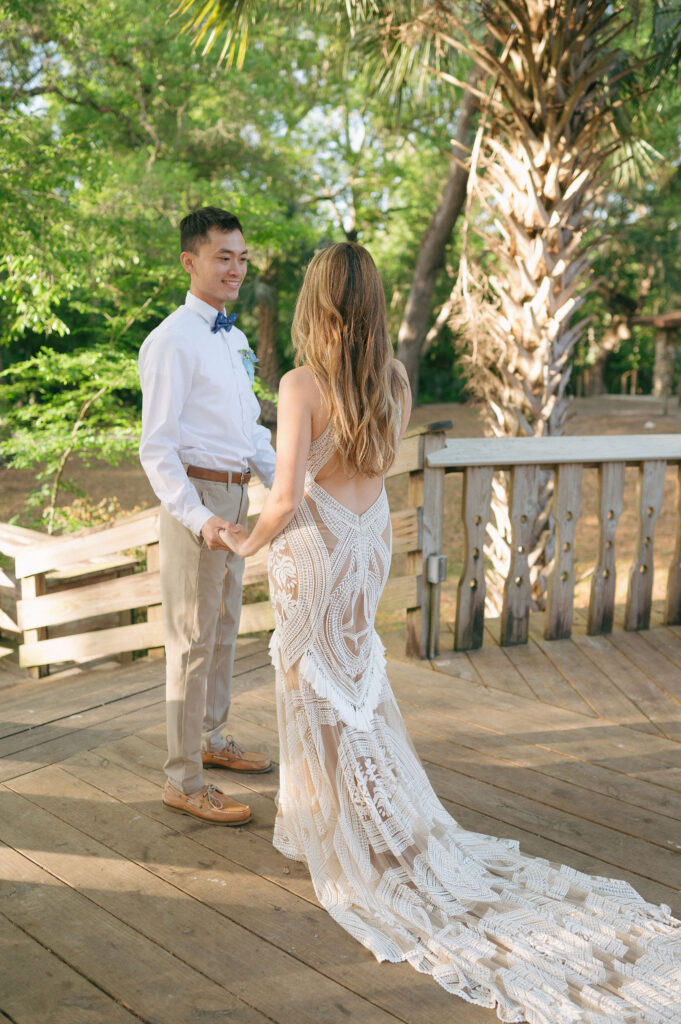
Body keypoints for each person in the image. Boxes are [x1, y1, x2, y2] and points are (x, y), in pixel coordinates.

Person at [220, 242, 681, 1022]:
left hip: (316, 544)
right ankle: (355, 823)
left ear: (317, 304)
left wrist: (237, 539)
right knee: (355, 678)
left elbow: (287, 494)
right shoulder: (393, 380)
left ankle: (343, 837)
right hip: (365, 541)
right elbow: (368, 463)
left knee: (309, 680)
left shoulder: (301, 383)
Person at [138, 206, 274, 827]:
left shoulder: (235, 338)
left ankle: (213, 742)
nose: (236, 269)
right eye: (224, 256)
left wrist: (286, 479)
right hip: (196, 502)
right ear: (190, 261)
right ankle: (182, 778)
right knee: (191, 642)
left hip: (237, 497)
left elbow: (250, 430)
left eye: (242, 258)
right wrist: (199, 519)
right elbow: (157, 447)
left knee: (223, 632)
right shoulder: (170, 340)